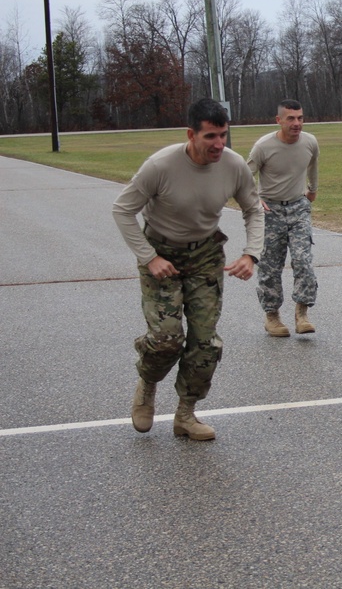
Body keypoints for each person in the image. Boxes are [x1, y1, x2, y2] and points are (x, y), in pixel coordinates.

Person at [112, 98, 264, 441]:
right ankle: (147, 384)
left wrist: (251, 254)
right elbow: (122, 210)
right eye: (210, 136)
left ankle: (186, 413)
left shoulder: (234, 165)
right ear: (191, 134)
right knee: (167, 339)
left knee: (205, 342)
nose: (219, 144)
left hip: (206, 255)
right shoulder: (160, 166)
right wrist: (149, 256)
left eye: (223, 135)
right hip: (162, 256)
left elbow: (253, 209)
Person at [246, 99, 320, 337]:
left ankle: (302, 314)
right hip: (270, 212)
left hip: (298, 207)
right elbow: (245, 176)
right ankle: (272, 316)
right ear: (279, 120)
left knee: (303, 261)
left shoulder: (310, 142)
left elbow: (313, 165)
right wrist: (255, 200)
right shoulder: (263, 146)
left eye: (300, 118)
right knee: (270, 267)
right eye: (291, 118)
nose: (296, 123)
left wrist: (313, 189)